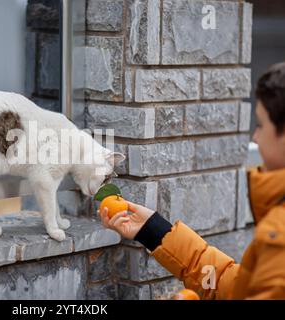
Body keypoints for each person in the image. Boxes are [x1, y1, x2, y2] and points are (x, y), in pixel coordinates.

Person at [99, 63, 285, 300]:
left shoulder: (279, 236)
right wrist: (153, 230)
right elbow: (235, 285)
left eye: (261, 124)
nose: (256, 136)